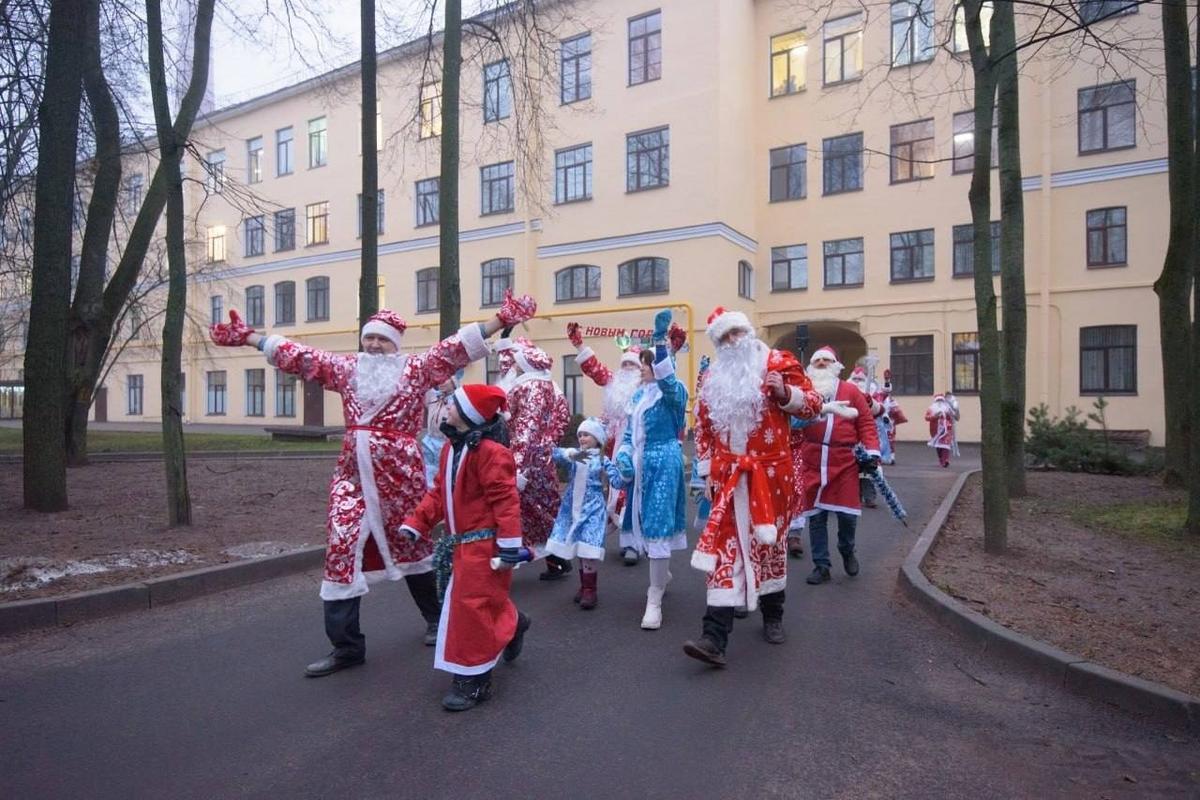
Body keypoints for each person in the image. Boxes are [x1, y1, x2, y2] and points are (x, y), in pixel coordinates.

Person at [208, 290, 537, 679]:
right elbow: (301, 357)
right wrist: (250, 337)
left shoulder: (416, 369)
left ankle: (435, 619)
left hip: (400, 474)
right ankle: (345, 647)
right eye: (370, 337)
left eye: (383, 339)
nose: (375, 345)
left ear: (395, 345)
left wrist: (501, 318)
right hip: (352, 476)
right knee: (340, 550)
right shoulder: (347, 368)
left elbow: (456, 348)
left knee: (413, 547)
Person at [681, 307, 825, 667]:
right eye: (724, 337)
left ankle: (773, 615)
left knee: (770, 547)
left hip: (770, 479)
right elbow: (703, 426)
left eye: (736, 333)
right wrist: (706, 473)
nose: (732, 341)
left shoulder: (778, 361)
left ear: (747, 331)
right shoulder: (713, 376)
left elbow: (814, 406)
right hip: (728, 477)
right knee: (725, 550)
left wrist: (786, 392)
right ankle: (713, 638)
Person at [400, 384, 530, 711]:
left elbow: (506, 501)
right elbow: (439, 493)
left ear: (469, 415)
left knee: (471, 608)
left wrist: (509, 547)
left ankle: (474, 681)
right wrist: (417, 522)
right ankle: (514, 625)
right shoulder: (451, 448)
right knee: (480, 604)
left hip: (484, 545)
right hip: (460, 543)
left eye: (454, 404)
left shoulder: (491, 453)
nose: (447, 407)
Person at [613, 309, 689, 630]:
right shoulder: (640, 396)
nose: (643, 369)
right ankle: (662, 571)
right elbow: (630, 434)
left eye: (648, 364)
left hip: (664, 462)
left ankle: (654, 597)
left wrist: (659, 341)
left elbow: (667, 379)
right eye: (643, 364)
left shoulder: (674, 393)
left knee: (658, 526)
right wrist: (625, 455)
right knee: (643, 523)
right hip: (644, 466)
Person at [798, 346, 882, 586]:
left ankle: (847, 549)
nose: (822, 363)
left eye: (827, 360)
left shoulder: (850, 390)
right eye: (818, 360)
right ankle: (821, 565)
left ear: (836, 365)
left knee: (847, 516)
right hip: (812, 459)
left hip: (844, 461)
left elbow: (866, 421)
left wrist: (872, 451)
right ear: (811, 366)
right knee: (816, 516)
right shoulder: (804, 391)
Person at [496, 336, 572, 579]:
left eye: (514, 361)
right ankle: (558, 559)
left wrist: (516, 467)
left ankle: (506, 562)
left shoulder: (528, 387)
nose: (511, 367)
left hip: (525, 462)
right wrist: (550, 442)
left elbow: (525, 430)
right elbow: (564, 416)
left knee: (523, 512)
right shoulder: (549, 385)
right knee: (544, 511)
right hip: (541, 457)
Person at [545, 418, 628, 610]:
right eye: (580, 435)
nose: (582, 438)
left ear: (597, 438)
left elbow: (617, 481)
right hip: (573, 507)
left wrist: (625, 472)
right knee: (579, 547)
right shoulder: (577, 455)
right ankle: (584, 586)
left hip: (592, 508)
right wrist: (569, 453)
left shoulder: (601, 459)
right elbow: (555, 455)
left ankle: (590, 589)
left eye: (586, 434)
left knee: (588, 548)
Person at [849, 366, 886, 509]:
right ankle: (854, 498)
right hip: (849, 440)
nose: (857, 381)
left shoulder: (871, 395)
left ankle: (869, 497)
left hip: (866, 440)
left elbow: (880, 410)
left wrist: (869, 402)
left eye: (860, 379)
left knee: (868, 472)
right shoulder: (844, 394)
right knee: (851, 473)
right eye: (855, 379)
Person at [421, 376, 459, 490]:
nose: (441, 382)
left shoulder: (458, 400)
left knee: (445, 473)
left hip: (446, 443)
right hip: (429, 441)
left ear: (453, 382)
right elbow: (424, 384)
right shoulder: (433, 397)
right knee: (427, 472)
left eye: (446, 379)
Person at [874, 369, 907, 465]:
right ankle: (879, 456)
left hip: (888, 422)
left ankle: (891, 457)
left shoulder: (889, 399)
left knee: (890, 439)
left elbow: (895, 408)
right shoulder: (874, 396)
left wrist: (887, 380)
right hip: (877, 422)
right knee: (878, 439)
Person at [926, 392, 960, 467]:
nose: (939, 403)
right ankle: (941, 459)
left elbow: (956, 417)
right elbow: (927, 418)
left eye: (941, 401)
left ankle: (946, 460)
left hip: (947, 430)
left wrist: (956, 411)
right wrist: (935, 416)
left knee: (945, 445)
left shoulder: (947, 408)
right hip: (935, 431)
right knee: (939, 446)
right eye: (938, 401)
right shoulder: (931, 409)